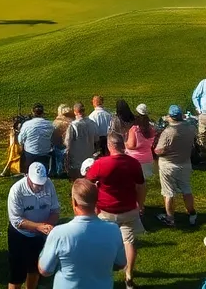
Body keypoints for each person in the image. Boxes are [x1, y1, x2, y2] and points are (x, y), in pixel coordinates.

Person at [38, 179, 125, 289]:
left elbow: (45, 270)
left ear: (74, 202)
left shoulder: (59, 233)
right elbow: (121, 263)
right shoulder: (113, 230)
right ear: (96, 201)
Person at [84, 134, 144, 288]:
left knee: (102, 242)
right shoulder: (133, 163)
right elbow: (140, 186)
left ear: (110, 146)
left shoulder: (100, 164)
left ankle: (101, 272)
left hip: (106, 211)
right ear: (122, 145)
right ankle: (129, 274)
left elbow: (87, 183)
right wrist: (140, 204)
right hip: (129, 209)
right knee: (129, 242)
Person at [6, 162, 59, 289]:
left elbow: (55, 210)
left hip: (40, 235)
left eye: (42, 183)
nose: (40, 187)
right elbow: (17, 221)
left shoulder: (49, 184)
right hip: (19, 236)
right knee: (16, 274)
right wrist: (39, 227)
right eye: (36, 183)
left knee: (35, 269)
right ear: (27, 177)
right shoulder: (16, 190)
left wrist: (48, 226)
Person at [153, 104, 197, 228]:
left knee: (168, 192)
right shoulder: (191, 128)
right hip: (185, 163)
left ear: (171, 117)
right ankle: (192, 214)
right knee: (186, 189)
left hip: (168, 164)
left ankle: (170, 218)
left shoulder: (168, 132)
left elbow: (158, 150)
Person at [65, 102, 98, 179]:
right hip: (89, 155)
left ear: (75, 112)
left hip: (76, 158)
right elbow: (96, 139)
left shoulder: (73, 125)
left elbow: (67, 142)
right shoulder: (92, 123)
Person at [18, 104, 54, 172]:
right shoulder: (50, 124)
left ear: (32, 113)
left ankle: (25, 171)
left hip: (30, 153)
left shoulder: (26, 124)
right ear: (43, 113)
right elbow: (53, 139)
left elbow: (20, 140)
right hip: (45, 153)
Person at [125, 104, 155, 179]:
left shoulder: (134, 129)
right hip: (148, 158)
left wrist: (124, 143)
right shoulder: (151, 128)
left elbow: (131, 145)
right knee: (148, 181)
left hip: (135, 160)